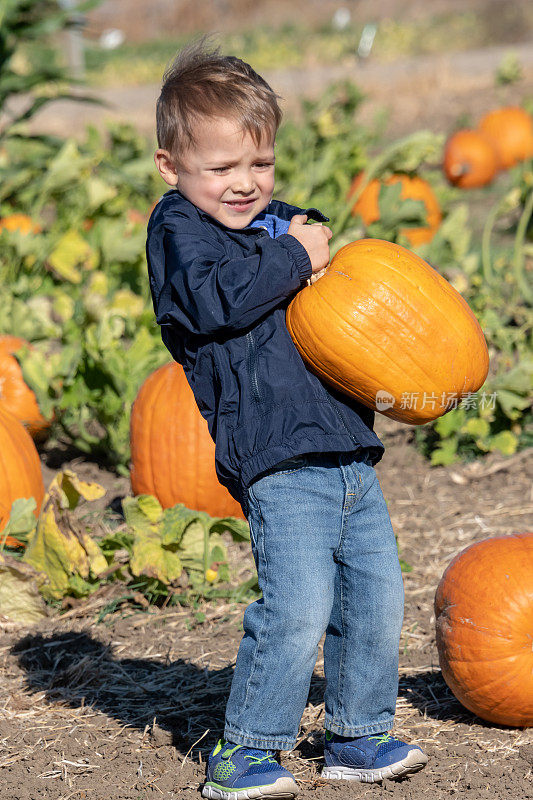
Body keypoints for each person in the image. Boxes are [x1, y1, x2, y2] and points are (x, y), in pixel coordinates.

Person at [147, 40, 428, 800]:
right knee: (297, 606)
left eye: (259, 166)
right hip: (274, 457)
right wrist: (297, 254)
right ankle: (245, 749)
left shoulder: (272, 227)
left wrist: (311, 232)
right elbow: (215, 300)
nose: (245, 185)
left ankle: (358, 734)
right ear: (171, 167)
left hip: (344, 447)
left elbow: (305, 232)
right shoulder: (179, 234)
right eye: (222, 169)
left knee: (374, 599)